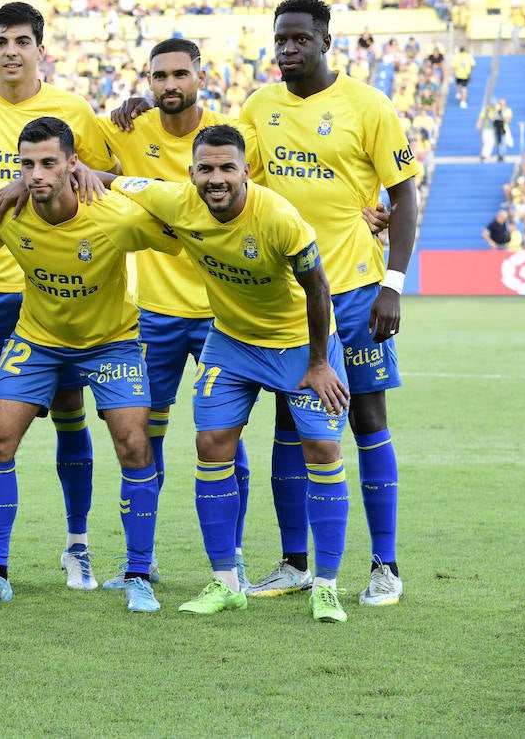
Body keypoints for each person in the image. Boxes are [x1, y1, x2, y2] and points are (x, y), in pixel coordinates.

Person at [110, 125, 351, 623]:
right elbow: (110, 180)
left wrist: (320, 362)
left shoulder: (280, 218)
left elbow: (319, 289)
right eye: (206, 169)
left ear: (245, 170)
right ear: (191, 172)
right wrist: (67, 172)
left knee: (323, 449)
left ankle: (326, 586)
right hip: (232, 343)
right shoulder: (175, 200)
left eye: (226, 168)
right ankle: (225, 582)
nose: (216, 179)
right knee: (211, 444)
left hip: (297, 345)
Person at [0, 117, 179, 612]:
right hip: (39, 340)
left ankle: (138, 572)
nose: (36, 175)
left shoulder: (113, 214)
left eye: (49, 163)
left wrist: (117, 181)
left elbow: (178, 230)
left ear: (73, 164)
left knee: (135, 443)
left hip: (111, 342)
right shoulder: (8, 212)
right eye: (26, 164)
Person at [238, 0, 420, 607]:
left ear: (324, 42)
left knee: (367, 422)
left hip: (357, 294)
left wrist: (393, 285)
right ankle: (293, 561)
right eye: (280, 39)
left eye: (299, 39)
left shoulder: (368, 106)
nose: (287, 49)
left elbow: (404, 198)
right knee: (290, 423)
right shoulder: (259, 108)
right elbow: (221, 171)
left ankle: (385, 566)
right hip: (288, 301)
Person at [0, 2, 117, 591]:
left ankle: (78, 546)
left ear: (41, 49)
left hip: (59, 293)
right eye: (0, 41)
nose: (11, 51)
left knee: (71, 414)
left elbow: (102, 177)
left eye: (22, 41)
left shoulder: (72, 110)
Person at [97, 38, 250, 591]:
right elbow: (66, 142)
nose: (169, 85)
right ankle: (142, 561)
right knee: (143, 437)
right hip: (155, 314)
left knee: (226, 441)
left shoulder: (229, 137)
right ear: (148, 80)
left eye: (179, 74)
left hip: (222, 314)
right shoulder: (127, 129)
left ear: (200, 76)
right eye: (158, 76)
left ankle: (234, 557)